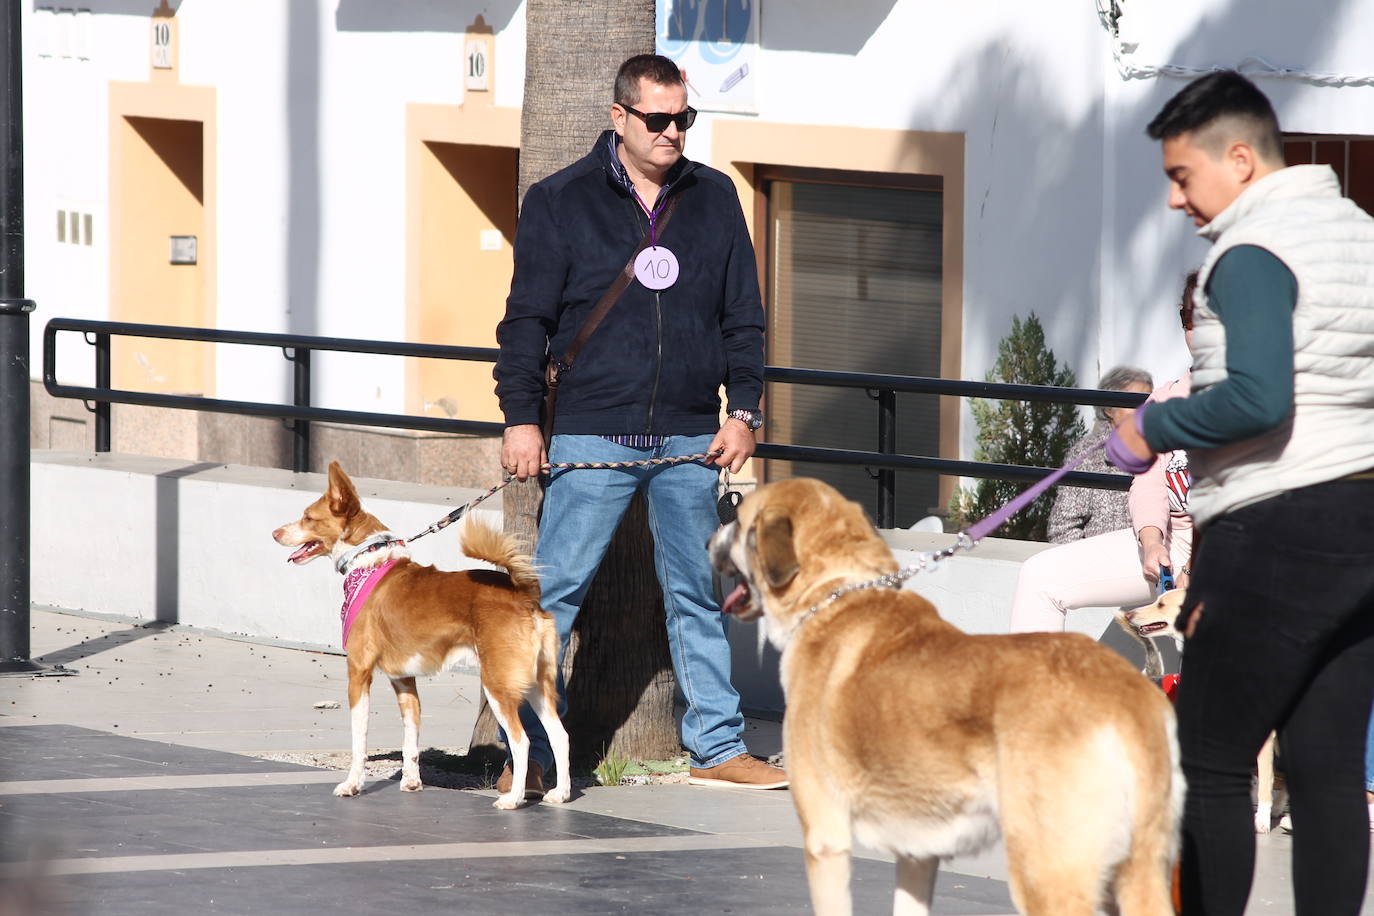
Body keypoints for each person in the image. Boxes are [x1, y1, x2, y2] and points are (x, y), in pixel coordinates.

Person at [1109, 70, 1374, 915]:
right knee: (1326, 763)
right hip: (1361, 520)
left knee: (1209, 761)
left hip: (1276, 526)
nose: (1177, 201)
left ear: (1239, 159)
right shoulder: (1358, 236)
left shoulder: (1251, 252)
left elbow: (1262, 398)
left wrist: (1153, 427)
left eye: (1182, 177)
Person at [492, 54, 785, 792]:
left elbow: (743, 321)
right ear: (618, 117)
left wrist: (744, 410)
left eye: (683, 118)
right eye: (657, 119)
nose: (673, 133)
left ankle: (717, 747)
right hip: (591, 432)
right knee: (552, 597)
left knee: (695, 594)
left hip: (692, 436)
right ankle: (521, 756)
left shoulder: (716, 198)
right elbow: (525, 322)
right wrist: (522, 420)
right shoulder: (560, 201)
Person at [1009, 284, 1196, 634]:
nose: (1197, 330)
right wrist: (1151, 539)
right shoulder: (1166, 398)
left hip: (1235, 554)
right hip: (1173, 544)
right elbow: (1149, 479)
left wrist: (1194, 568)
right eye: (1188, 317)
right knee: (1040, 575)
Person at [1046, 365, 1154, 545]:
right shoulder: (1088, 454)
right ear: (1109, 410)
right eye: (1135, 403)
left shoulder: (1164, 448)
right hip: (1104, 563)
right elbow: (1062, 529)